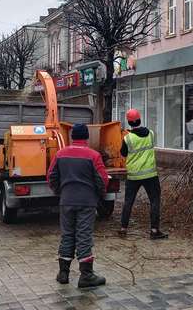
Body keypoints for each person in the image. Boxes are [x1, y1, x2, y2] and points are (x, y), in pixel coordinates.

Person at [47, 123, 109, 288]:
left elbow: (51, 176)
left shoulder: (60, 154)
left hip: (66, 200)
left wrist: (60, 191)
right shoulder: (93, 155)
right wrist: (100, 194)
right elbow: (102, 179)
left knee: (67, 235)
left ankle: (63, 273)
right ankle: (86, 275)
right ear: (86, 137)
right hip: (87, 202)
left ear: (72, 136)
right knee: (84, 236)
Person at [119, 109, 168, 239]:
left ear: (129, 122)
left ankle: (123, 228)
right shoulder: (151, 134)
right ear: (140, 119)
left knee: (128, 202)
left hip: (133, 176)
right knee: (154, 201)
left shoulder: (127, 138)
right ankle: (154, 230)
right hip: (150, 175)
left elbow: (123, 153)